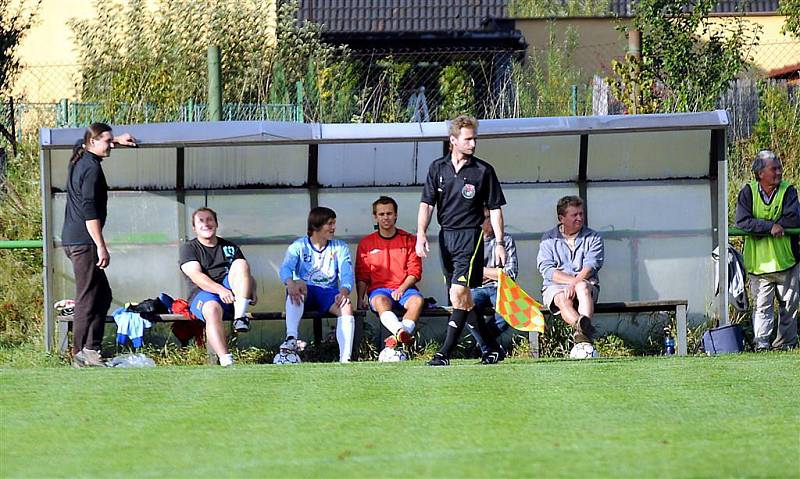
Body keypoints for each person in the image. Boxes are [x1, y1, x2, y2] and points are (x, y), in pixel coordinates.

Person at [416, 114, 508, 366]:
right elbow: (427, 204)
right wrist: (421, 234)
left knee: (458, 292)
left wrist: (499, 243)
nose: (473, 144)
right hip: (446, 236)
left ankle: (444, 353)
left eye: (474, 139)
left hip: (471, 236)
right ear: (453, 140)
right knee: (462, 298)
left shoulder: (483, 171)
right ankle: (491, 348)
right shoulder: (438, 168)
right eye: (468, 139)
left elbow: (496, 208)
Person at [62, 122, 136, 368]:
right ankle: (80, 353)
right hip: (84, 241)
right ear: (93, 142)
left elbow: (81, 140)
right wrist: (101, 246)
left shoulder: (79, 154)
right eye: (106, 141)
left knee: (102, 295)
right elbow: (89, 210)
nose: (110, 146)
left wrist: (116, 141)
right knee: (87, 297)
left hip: (74, 239)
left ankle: (91, 348)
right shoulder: (91, 169)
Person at [735, 150, 799, 351]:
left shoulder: (788, 190)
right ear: (760, 173)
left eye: (779, 168)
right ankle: (762, 345)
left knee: (789, 309)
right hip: (759, 265)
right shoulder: (748, 192)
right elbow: (742, 222)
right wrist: (770, 227)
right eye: (774, 169)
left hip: (787, 261)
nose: (779, 172)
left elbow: (794, 217)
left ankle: (785, 345)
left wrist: (768, 225)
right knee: (762, 308)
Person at [179, 207, 257, 367]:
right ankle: (226, 360)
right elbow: (196, 276)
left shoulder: (230, 247)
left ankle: (240, 318)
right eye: (201, 221)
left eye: (209, 220)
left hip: (232, 297)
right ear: (194, 227)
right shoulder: (189, 248)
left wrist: (252, 289)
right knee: (212, 309)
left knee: (241, 263)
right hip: (203, 294)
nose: (206, 224)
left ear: (216, 223)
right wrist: (220, 290)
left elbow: (245, 273)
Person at [279, 207, 356, 363]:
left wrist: (344, 291)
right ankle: (291, 338)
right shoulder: (299, 246)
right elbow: (285, 268)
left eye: (334, 223)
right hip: (306, 292)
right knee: (298, 286)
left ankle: (345, 359)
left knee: (346, 304)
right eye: (329, 224)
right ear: (316, 226)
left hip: (328, 293)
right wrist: (290, 283)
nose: (334, 228)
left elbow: (346, 273)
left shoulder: (340, 247)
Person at [356, 196, 424, 352]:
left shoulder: (409, 240)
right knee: (380, 301)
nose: (385, 217)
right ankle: (401, 332)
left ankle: (397, 334)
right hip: (380, 291)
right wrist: (360, 299)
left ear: (396, 215)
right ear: (375, 216)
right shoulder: (366, 243)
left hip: (405, 289)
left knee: (417, 302)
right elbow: (362, 274)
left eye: (389, 213)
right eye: (381, 214)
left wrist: (401, 288)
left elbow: (415, 271)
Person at [537, 196, 604, 345]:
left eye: (581, 214)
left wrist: (574, 283)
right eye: (574, 215)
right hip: (554, 287)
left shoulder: (593, 237)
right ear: (561, 218)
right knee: (562, 299)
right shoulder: (548, 239)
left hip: (585, 284)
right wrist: (571, 283)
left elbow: (592, 266)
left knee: (583, 287)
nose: (579, 218)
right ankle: (583, 330)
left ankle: (581, 332)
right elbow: (547, 270)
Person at [466, 208, 519, 359]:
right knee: (466, 309)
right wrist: (495, 273)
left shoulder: (506, 240)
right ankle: (489, 346)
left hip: (499, 287)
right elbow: (466, 274)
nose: (489, 221)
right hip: (476, 288)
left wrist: (480, 271)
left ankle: (483, 345)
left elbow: (510, 274)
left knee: (509, 312)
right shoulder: (469, 242)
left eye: (491, 217)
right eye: (485, 218)